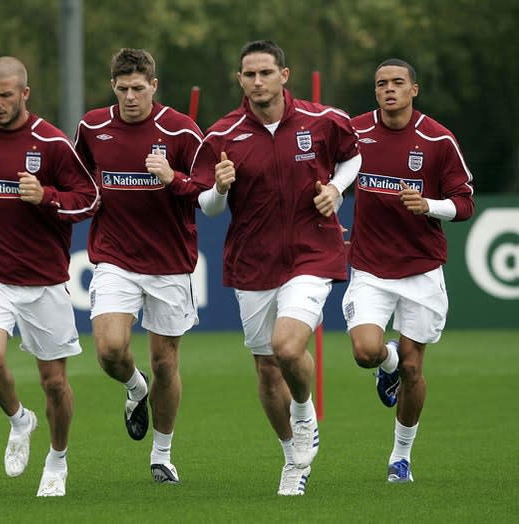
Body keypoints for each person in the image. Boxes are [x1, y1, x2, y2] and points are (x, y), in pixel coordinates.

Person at [191, 40, 361, 496]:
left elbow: (353, 156)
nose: (258, 81)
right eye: (250, 75)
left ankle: (304, 414)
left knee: (288, 348)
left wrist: (338, 189)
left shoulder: (324, 120)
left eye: (266, 72)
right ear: (240, 80)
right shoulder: (222, 135)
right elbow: (207, 206)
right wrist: (222, 189)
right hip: (253, 261)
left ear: (284, 76)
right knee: (266, 369)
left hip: (312, 252)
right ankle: (291, 459)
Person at [0, 56, 99, 497]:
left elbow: (88, 201)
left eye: (6, 95)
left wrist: (46, 195)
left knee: (54, 383)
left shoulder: (51, 143)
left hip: (44, 281)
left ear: (25, 94)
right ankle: (19, 419)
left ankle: (57, 460)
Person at [74, 48, 205, 484]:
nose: (131, 96)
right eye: (123, 88)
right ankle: (136, 387)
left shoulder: (181, 130)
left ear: (154, 85)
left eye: (139, 88)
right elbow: (77, 183)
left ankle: (162, 455)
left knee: (166, 361)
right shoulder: (92, 126)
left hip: (169, 263)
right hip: (115, 257)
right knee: (110, 349)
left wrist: (173, 178)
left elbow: (206, 196)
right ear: (113, 86)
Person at [343, 58, 475, 483]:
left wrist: (430, 205)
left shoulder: (438, 140)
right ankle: (388, 362)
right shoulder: (355, 132)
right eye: (382, 83)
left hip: (421, 269)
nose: (389, 89)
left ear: (414, 90)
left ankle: (401, 456)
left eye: (398, 82)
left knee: (416, 370)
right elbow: (325, 175)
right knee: (366, 351)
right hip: (370, 267)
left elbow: (465, 203)